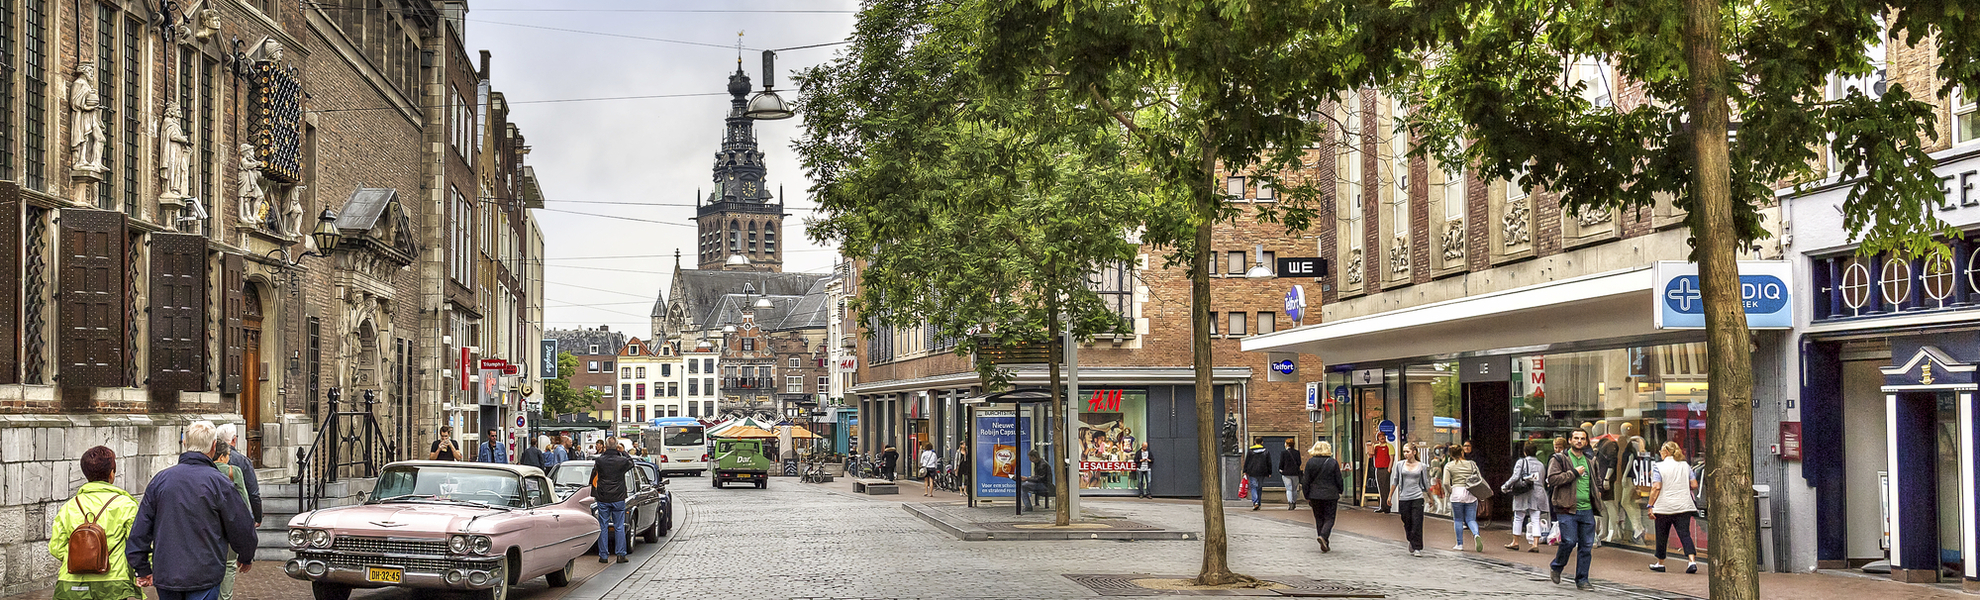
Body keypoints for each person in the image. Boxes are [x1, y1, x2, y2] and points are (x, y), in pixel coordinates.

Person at [128, 421, 257, 600]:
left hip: (168, 572)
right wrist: (246, 553)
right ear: (213, 446)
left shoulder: (161, 480)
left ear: (185, 444)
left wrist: (141, 567)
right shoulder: (219, 483)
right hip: (205, 572)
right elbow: (240, 523)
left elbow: (141, 527)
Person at [49, 446, 141, 600]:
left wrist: (83, 558)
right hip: (114, 582)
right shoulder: (125, 505)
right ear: (112, 473)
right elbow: (138, 543)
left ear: (85, 473)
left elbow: (56, 547)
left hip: (72, 582)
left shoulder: (69, 507)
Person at [1546, 430, 1608, 591]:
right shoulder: (1560, 458)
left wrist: (1598, 491)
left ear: (1586, 442)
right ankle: (1557, 566)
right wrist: (1573, 473)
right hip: (1566, 507)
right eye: (1576, 438)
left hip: (1587, 508)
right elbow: (1552, 479)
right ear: (1570, 440)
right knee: (1569, 541)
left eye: (1582, 439)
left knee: (1587, 546)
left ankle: (1582, 579)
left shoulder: (1590, 460)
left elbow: (1597, 479)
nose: (1579, 441)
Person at [1646, 441, 1700, 574]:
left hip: (1664, 507)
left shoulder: (1658, 466)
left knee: (1662, 535)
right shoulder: (1685, 466)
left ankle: (1660, 563)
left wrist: (1650, 505)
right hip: (1683, 506)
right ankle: (1691, 561)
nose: (1660, 454)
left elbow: (1656, 487)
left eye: (1661, 452)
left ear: (1666, 452)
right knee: (1685, 534)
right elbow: (1694, 484)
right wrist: (1680, 485)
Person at [212, 442, 252, 600]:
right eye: (228, 455)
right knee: (229, 565)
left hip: (208, 527)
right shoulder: (233, 471)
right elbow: (244, 501)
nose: (229, 459)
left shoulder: (203, 470)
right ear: (222, 456)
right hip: (229, 527)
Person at [589, 436, 635, 564]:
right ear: (616, 447)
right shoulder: (621, 461)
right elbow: (631, 463)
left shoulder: (600, 461)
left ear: (605, 447)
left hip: (603, 497)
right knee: (619, 526)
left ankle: (603, 555)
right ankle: (621, 554)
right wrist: (623, 452)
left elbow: (594, 476)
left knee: (603, 526)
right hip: (618, 496)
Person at [1503, 440, 1551, 552]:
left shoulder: (1521, 462)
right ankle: (1535, 544)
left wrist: (1505, 486)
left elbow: (1515, 477)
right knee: (1535, 518)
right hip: (1538, 492)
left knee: (1518, 517)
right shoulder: (1541, 464)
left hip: (1523, 492)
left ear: (1525, 452)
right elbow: (1543, 479)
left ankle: (1515, 542)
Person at [214, 424, 263, 528]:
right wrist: (257, 517)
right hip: (237, 513)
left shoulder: (209, 457)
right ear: (234, 439)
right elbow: (253, 493)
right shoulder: (243, 461)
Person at [1299, 441, 1344, 552]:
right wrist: (1340, 490)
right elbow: (1338, 479)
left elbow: (1306, 481)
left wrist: (1307, 495)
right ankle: (1323, 536)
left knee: (1319, 518)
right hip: (1330, 494)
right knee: (1329, 518)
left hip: (1315, 495)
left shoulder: (1310, 462)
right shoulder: (1332, 462)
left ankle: (1324, 542)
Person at [1442, 443, 1484, 552]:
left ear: (1451, 455)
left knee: (1458, 519)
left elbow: (1446, 482)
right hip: (1470, 492)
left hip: (1456, 492)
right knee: (1471, 519)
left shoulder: (1449, 465)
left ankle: (1459, 544)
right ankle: (1476, 534)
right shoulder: (1472, 464)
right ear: (1462, 452)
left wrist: (1451, 491)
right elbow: (1479, 478)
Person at [1389, 444, 1429, 557]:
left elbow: (1425, 483)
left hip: (1417, 497)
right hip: (1404, 497)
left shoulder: (1422, 466)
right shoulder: (1400, 465)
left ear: (1414, 452)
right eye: (1404, 452)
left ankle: (1417, 547)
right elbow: (1395, 480)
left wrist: (1430, 497)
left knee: (1417, 522)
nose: (1405, 454)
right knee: (1406, 520)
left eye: (1407, 451)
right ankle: (1411, 538)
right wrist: (1390, 496)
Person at [1241, 438, 1274, 511]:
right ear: (1262, 442)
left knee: (1253, 487)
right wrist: (1269, 472)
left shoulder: (1250, 451)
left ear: (1254, 442)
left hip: (1252, 471)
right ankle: (1258, 503)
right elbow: (1269, 462)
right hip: (1262, 471)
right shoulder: (1266, 451)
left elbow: (1247, 461)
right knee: (1259, 487)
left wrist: (1245, 470)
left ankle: (1255, 502)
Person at [1368, 439, 1395, 513]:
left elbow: (1392, 458)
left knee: (1385, 488)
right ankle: (1382, 506)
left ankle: (1387, 507)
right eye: (1380, 437)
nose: (1381, 438)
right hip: (1378, 469)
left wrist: (1389, 469)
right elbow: (1370, 455)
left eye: (1383, 436)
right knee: (1381, 488)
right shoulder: (1376, 447)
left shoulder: (1389, 446)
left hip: (1385, 468)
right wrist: (1369, 448)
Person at [1278, 438, 1304, 510]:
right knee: (1295, 489)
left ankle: (1290, 503)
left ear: (1287, 444)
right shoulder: (1297, 452)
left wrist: (1281, 469)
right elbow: (1299, 463)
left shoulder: (1284, 453)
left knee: (1289, 489)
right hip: (1295, 473)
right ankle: (1294, 502)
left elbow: (1281, 463)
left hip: (1286, 473)